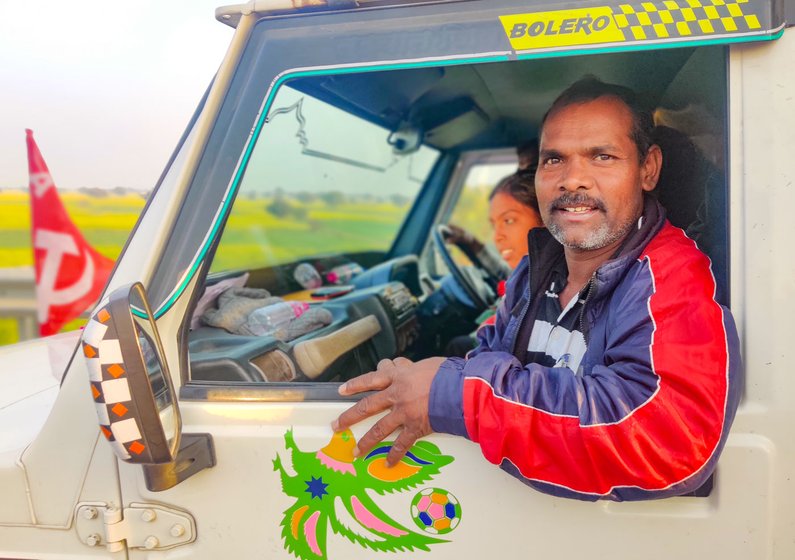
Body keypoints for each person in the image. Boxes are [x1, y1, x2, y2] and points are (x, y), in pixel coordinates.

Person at [331, 77, 742, 501]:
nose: (572, 180)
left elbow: (666, 440)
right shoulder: (536, 269)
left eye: (602, 156)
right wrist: (433, 381)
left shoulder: (673, 276)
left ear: (648, 169)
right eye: (554, 160)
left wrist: (456, 393)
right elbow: (489, 355)